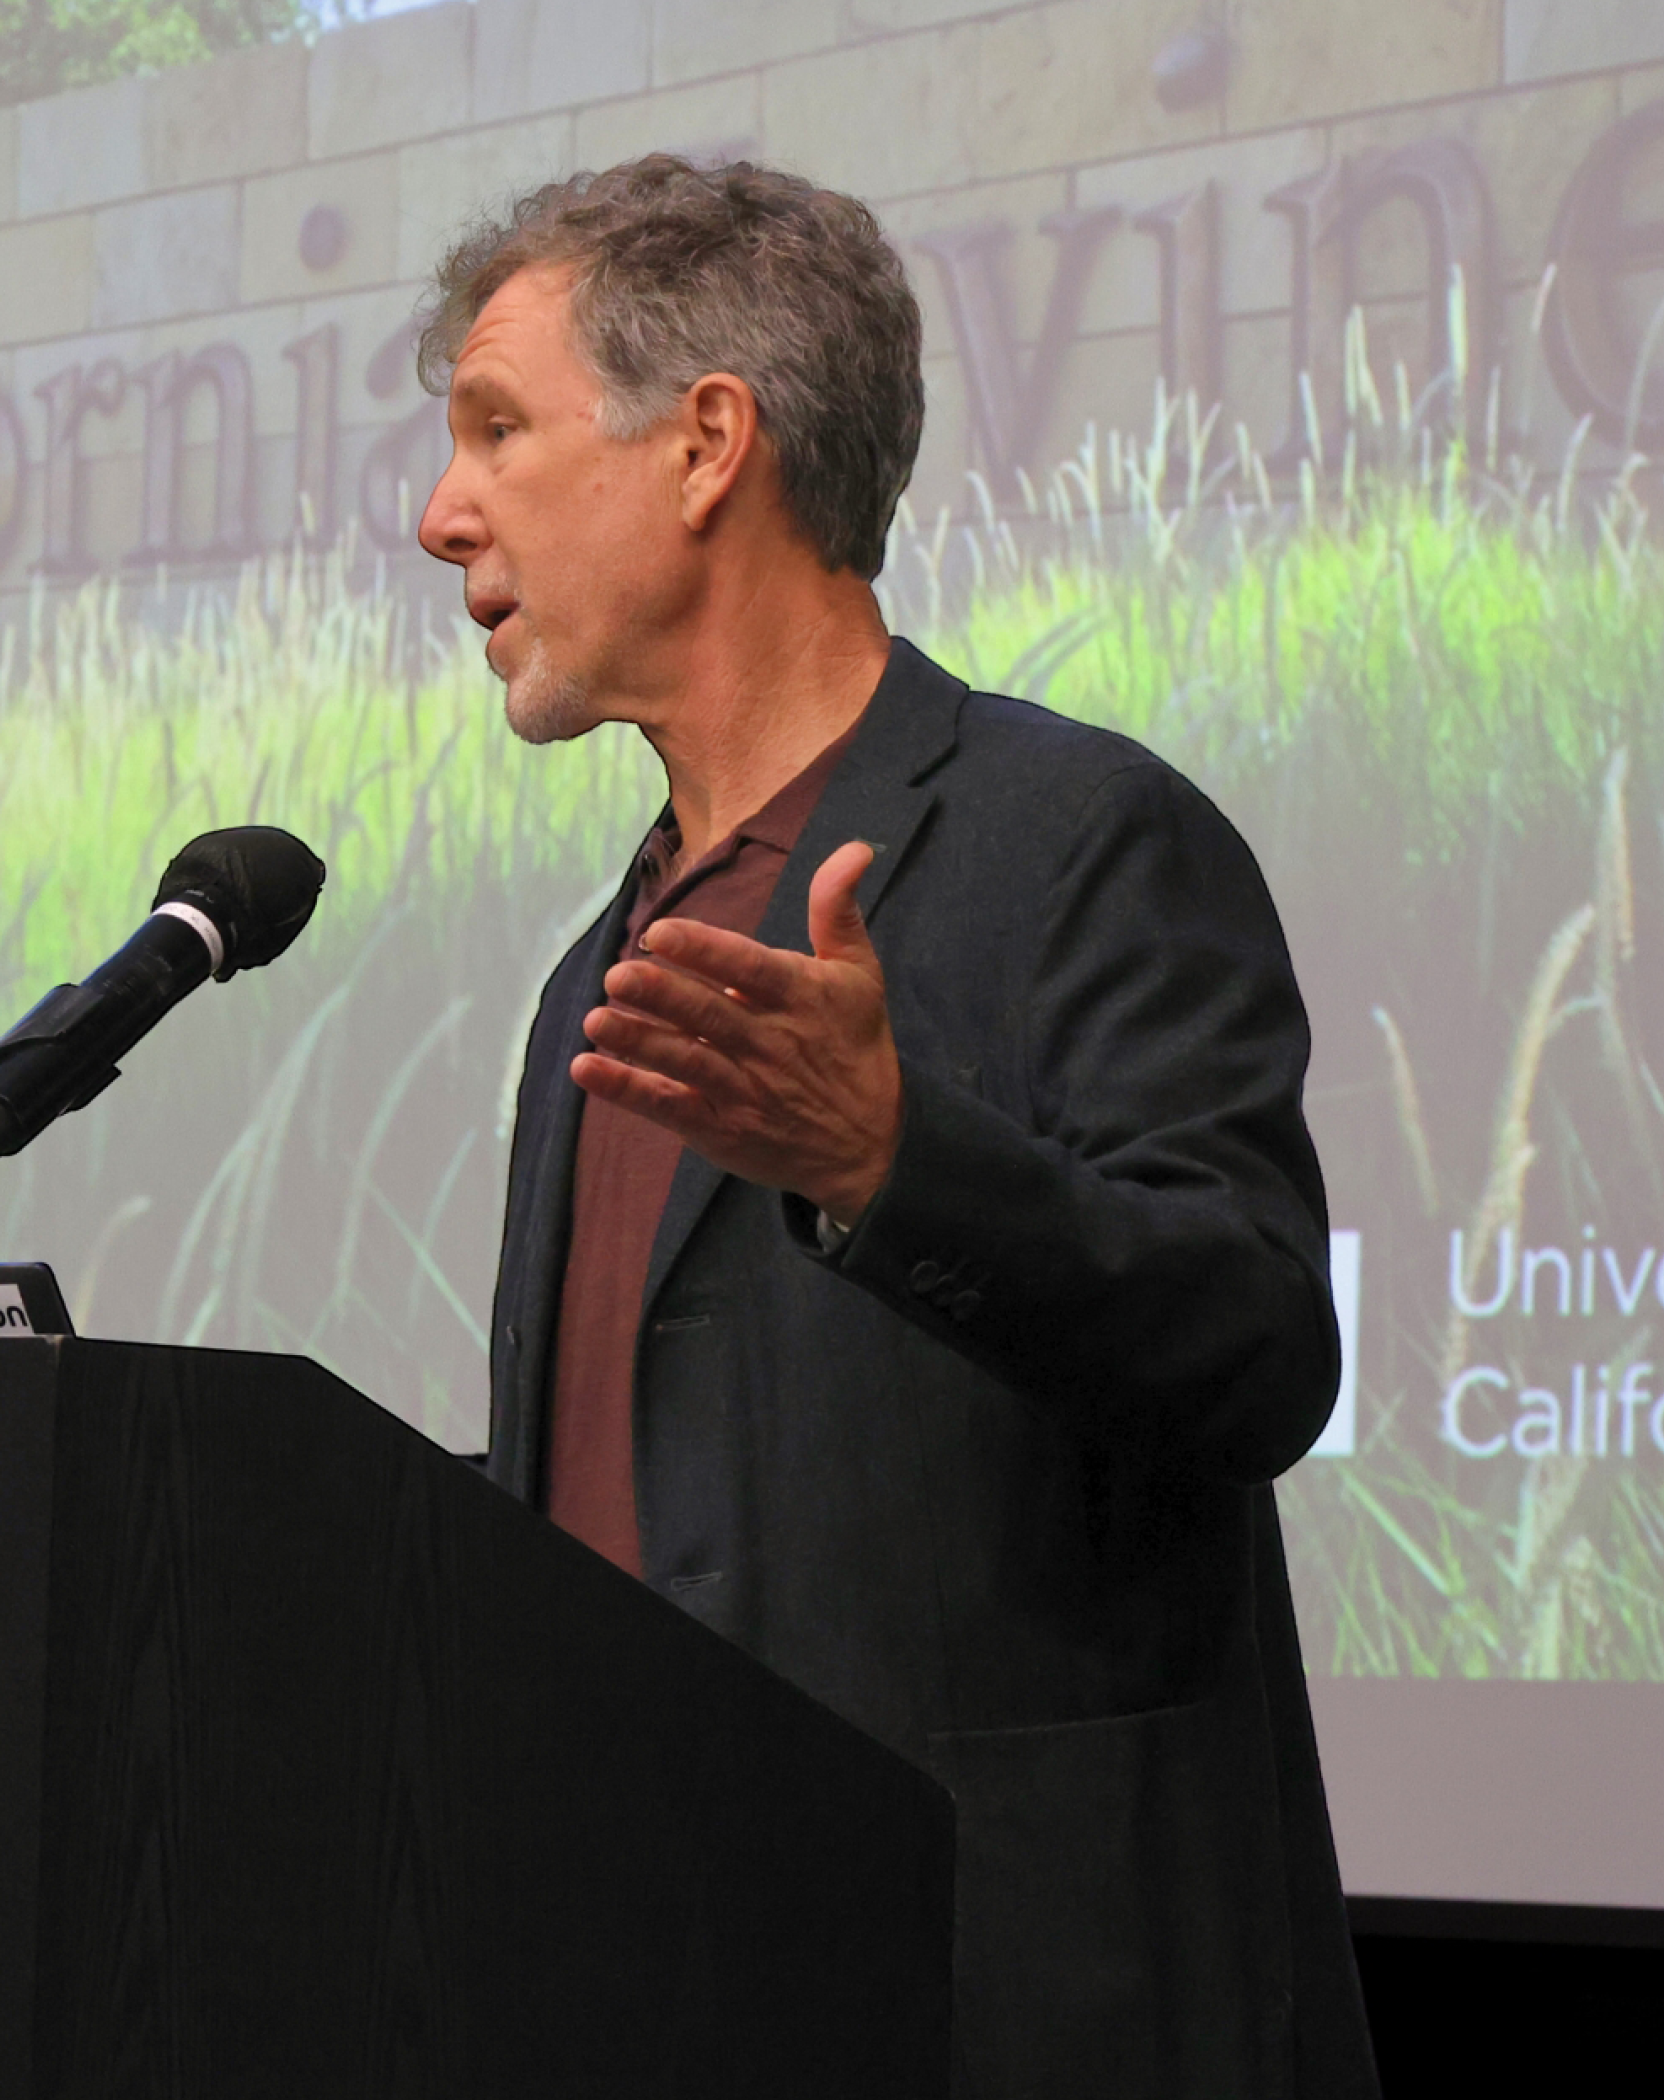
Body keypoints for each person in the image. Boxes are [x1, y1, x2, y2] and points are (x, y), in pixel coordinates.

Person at [411, 155, 1379, 2097]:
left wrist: (887, 1165)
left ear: (703, 448)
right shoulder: (592, 972)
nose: (439, 518)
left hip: (1005, 2018)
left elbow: (1263, 1351)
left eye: (495, 431)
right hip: (636, 1997)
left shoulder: (1077, 842)